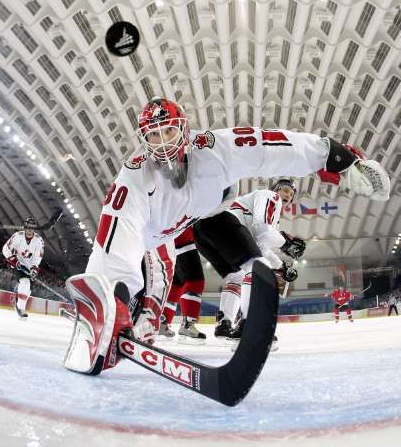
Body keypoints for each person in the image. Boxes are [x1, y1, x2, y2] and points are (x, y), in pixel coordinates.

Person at [63, 97, 390, 376]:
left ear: (184, 129)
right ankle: (105, 326)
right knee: (130, 298)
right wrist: (111, 298)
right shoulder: (134, 176)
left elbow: (267, 145)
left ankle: (146, 333)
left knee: (158, 299)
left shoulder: (215, 149)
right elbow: (116, 235)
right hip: (148, 234)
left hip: (179, 229)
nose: (162, 143)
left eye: (168, 131)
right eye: (153, 136)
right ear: (143, 139)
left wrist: (329, 156)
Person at [193, 179, 303, 350]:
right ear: (276, 189)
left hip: (202, 231)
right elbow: (262, 230)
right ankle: (250, 326)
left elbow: (261, 247)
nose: (288, 195)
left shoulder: (267, 211)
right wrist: (287, 244)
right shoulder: (270, 196)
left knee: (237, 276)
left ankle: (225, 324)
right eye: (286, 190)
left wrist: (282, 267)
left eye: (291, 194)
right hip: (223, 221)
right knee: (258, 267)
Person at [159, 226, 206, 343]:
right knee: (195, 281)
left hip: (171, 239)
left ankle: (163, 323)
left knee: (177, 284)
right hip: (182, 238)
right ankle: (187, 324)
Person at [2, 217, 44, 319]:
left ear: (34, 228)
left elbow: (37, 257)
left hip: (29, 266)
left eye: (32, 227)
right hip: (18, 262)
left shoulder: (39, 240)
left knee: (28, 288)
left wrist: (34, 268)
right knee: (25, 282)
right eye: (28, 227)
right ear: (25, 227)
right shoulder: (17, 236)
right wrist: (13, 260)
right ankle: (20, 308)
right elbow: (5, 249)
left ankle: (18, 300)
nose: (30, 229)